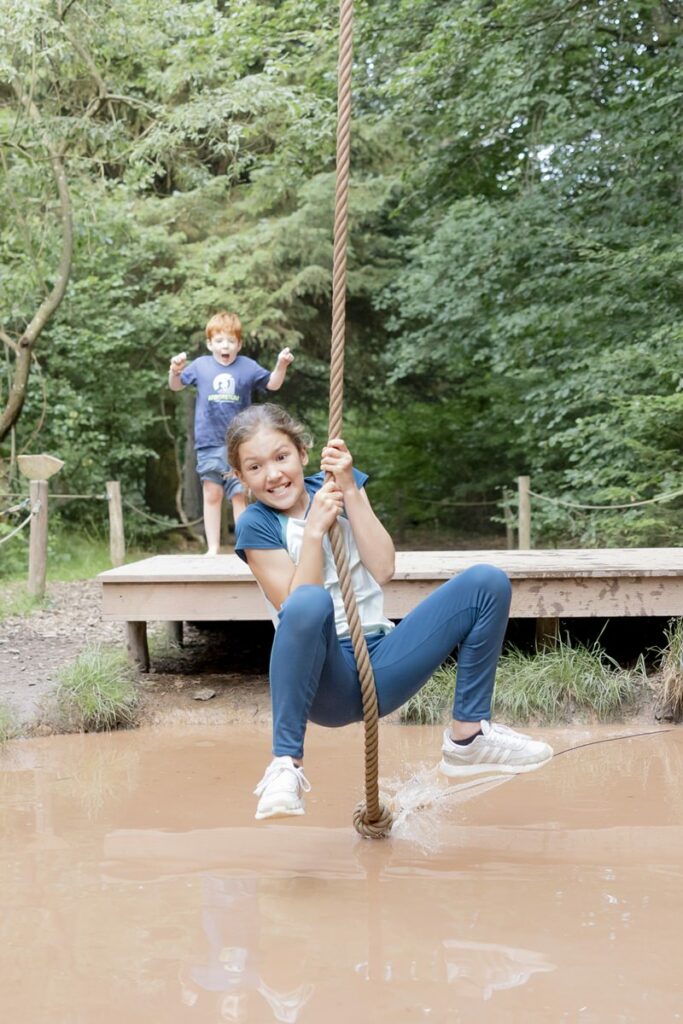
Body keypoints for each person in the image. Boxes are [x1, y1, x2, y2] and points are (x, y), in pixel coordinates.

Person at [228, 404, 553, 821]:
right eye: (255, 467)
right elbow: (293, 605)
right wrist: (312, 534)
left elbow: (383, 569)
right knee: (310, 601)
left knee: (486, 583)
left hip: (381, 663)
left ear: (303, 452)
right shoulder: (257, 523)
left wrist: (348, 488)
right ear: (241, 478)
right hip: (322, 680)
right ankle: (285, 766)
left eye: (281, 457)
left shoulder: (334, 486)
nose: (272, 474)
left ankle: (468, 738)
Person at [168, 311, 294, 555]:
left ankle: (247, 547)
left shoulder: (247, 366)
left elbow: (273, 384)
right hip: (208, 443)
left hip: (240, 445)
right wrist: (174, 370)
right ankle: (213, 548)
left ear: (239, 344)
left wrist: (281, 364)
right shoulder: (200, 366)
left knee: (239, 495)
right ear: (209, 344)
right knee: (212, 493)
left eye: (230, 341)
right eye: (219, 341)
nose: (224, 346)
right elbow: (176, 385)